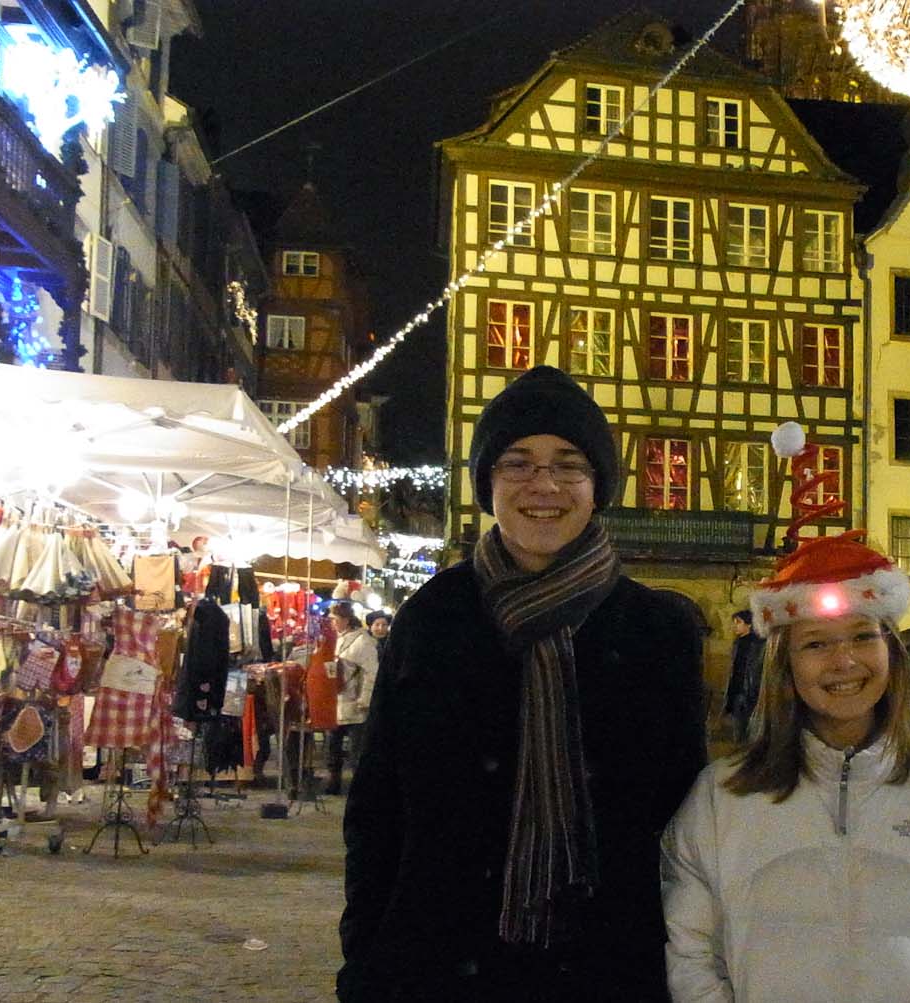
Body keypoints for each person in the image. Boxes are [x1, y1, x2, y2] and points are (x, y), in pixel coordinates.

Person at [339, 366, 708, 1002]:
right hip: (438, 962)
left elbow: (684, 824)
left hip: (607, 966)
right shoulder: (434, 619)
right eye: (517, 463)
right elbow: (378, 810)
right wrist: (363, 961)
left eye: (569, 465)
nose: (544, 485)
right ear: (488, 483)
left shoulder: (658, 630)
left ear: (598, 485)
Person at [662, 532, 910, 1001]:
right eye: (816, 644)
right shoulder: (723, 797)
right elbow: (690, 951)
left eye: (862, 636)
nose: (844, 661)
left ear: (891, 651)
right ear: (785, 665)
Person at [326, 601, 378, 796]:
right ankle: (334, 782)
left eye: (335, 619)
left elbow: (372, 673)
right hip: (336, 703)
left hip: (355, 704)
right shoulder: (335, 639)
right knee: (333, 748)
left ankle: (359, 789)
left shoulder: (363, 642)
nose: (332, 623)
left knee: (357, 751)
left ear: (346, 620)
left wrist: (365, 699)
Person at [721, 609, 763, 742]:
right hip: (737, 690)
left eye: (738, 622)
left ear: (749, 624)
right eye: (734, 622)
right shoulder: (737, 643)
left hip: (751, 691)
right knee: (739, 730)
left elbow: (757, 669)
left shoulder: (758, 644)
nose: (735, 626)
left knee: (751, 731)